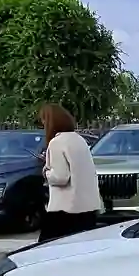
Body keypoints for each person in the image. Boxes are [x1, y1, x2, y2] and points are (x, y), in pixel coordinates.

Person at [38, 103, 101, 242]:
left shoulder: (56, 143)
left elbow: (60, 177)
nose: (42, 124)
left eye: (43, 120)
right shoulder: (80, 140)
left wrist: (47, 172)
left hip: (64, 209)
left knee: (45, 248)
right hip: (87, 207)